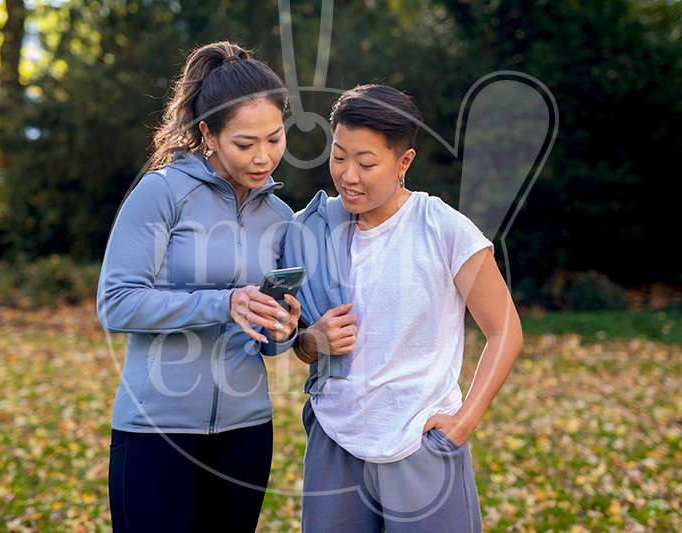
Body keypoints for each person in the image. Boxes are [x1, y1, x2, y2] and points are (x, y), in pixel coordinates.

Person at [283, 84, 523, 532]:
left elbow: (505, 330)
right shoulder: (310, 231)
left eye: (366, 162)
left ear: (404, 163)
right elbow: (298, 344)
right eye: (339, 156)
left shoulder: (444, 229)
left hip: (421, 444)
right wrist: (311, 341)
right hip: (335, 440)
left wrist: (462, 422)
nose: (348, 175)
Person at [96, 41, 301, 532]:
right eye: (245, 143)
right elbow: (116, 304)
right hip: (157, 429)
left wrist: (284, 328)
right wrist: (223, 303)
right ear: (208, 133)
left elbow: (271, 341)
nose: (263, 157)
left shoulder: (280, 217)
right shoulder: (162, 192)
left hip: (247, 431)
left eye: (274, 139)